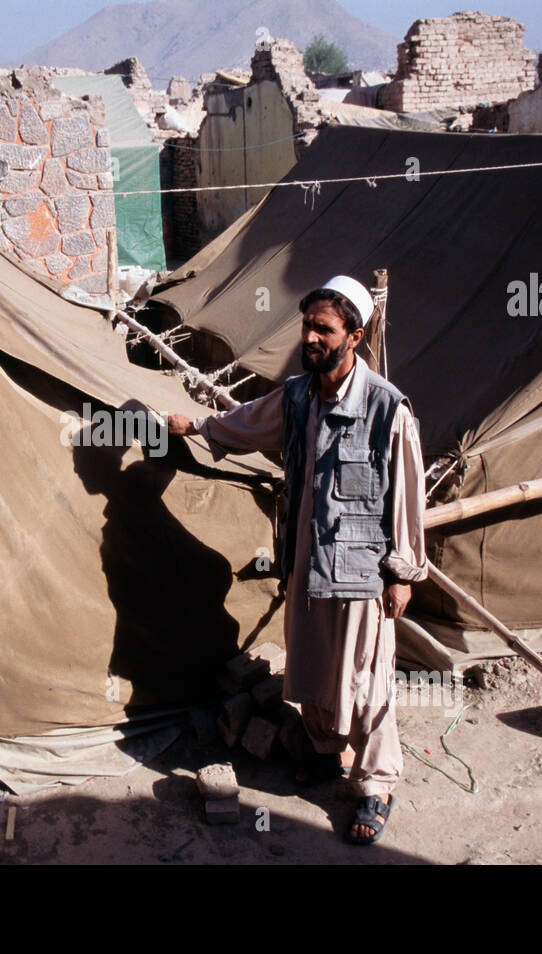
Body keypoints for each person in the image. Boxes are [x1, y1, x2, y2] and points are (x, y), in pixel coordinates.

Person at [166, 275, 427, 845]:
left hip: (363, 569)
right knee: (310, 663)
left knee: (365, 680)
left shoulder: (387, 409)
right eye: (307, 326)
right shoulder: (299, 395)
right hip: (307, 561)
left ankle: (377, 785)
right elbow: (248, 422)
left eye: (323, 329)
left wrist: (403, 574)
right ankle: (328, 751)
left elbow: (407, 498)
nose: (310, 337)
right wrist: (199, 426)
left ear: (354, 336)